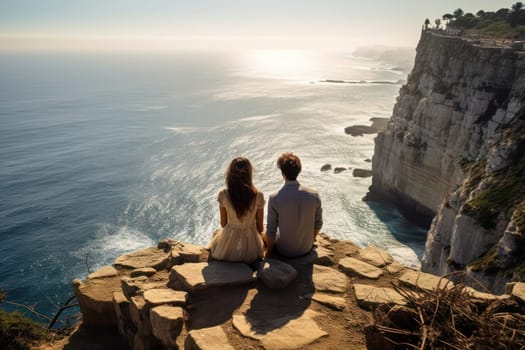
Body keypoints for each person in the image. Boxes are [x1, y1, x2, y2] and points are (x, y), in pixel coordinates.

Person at [264, 152, 323, 258]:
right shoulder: (314, 195)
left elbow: (271, 230)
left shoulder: (274, 198)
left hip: (284, 250)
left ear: (282, 173)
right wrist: (310, 240)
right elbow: (318, 223)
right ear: (298, 171)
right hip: (306, 248)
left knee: (264, 231)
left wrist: (268, 252)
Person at [208, 157, 265, 263]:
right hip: (251, 247)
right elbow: (260, 227)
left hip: (227, 247)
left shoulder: (223, 194)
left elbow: (224, 224)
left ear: (230, 174)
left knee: (216, 236)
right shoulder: (258, 195)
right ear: (249, 174)